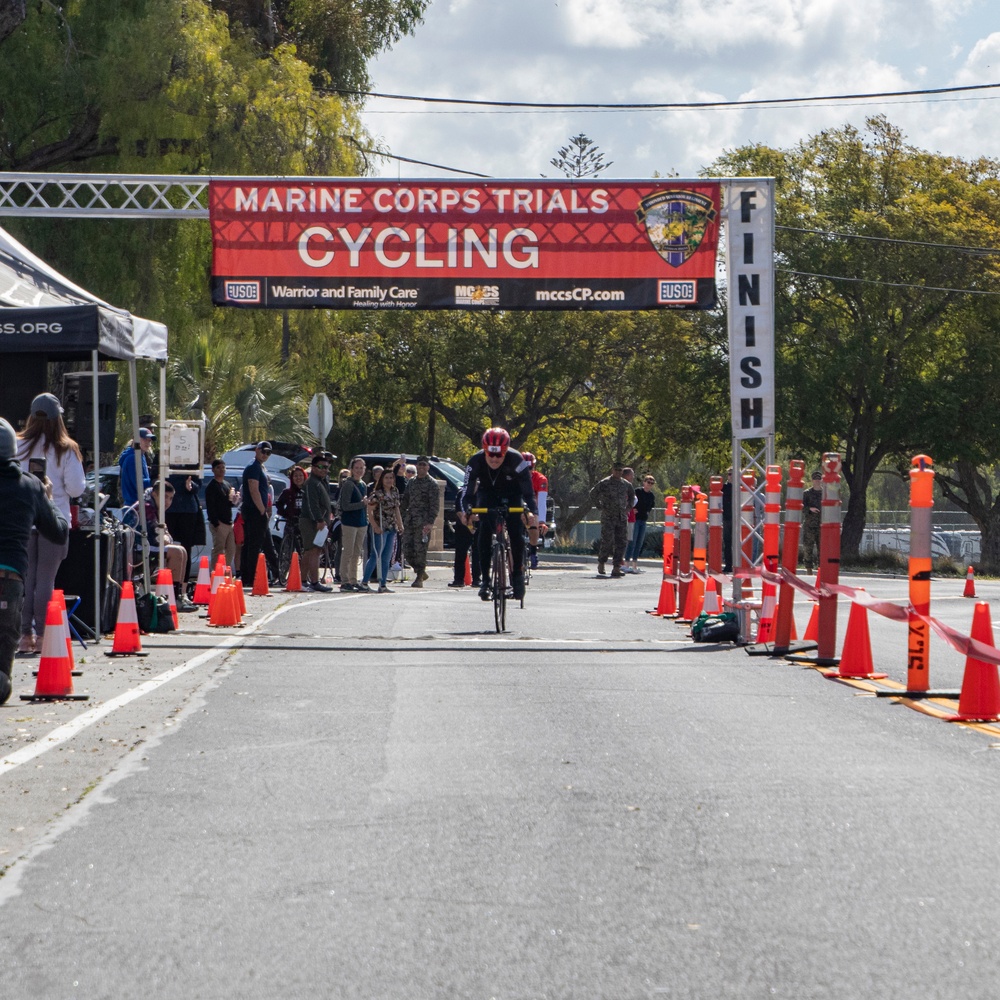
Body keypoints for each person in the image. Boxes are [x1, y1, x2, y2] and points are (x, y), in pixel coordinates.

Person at [0, 417, 69, 705]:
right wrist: (50, 498)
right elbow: (58, 531)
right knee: (3, 658)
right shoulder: (30, 486)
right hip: (9, 580)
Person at [14, 392, 86, 656]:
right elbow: (76, 489)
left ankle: (24, 635)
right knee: (46, 578)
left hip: (24, 520)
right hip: (54, 520)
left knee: (25, 577)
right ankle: (44, 635)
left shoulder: (17, 446)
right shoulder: (66, 449)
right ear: (58, 420)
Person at [456, 427, 537, 602]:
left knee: (516, 532)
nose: (494, 459)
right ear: (484, 451)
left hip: (513, 495)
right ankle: (485, 580)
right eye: (490, 455)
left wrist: (532, 513)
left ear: (506, 451)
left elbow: (529, 493)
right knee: (484, 530)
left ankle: (517, 575)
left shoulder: (517, 460)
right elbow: (466, 493)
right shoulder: (474, 462)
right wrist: (467, 512)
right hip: (487, 495)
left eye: (499, 455)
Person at [144, 482, 196, 611]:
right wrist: (165, 538)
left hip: (149, 545)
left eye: (170, 498)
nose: (167, 501)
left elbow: (165, 536)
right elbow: (156, 537)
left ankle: (178, 594)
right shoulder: (147, 507)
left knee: (182, 550)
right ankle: (172, 595)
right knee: (177, 552)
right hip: (140, 547)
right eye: (165, 497)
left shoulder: (156, 508)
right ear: (155, 494)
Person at [240, 441, 280, 586]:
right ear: (257, 450)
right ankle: (249, 578)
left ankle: (278, 575)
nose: (265, 455)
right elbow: (253, 489)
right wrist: (262, 510)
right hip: (254, 511)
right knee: (253, 546)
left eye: (268, 453)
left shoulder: (260, 467)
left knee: (267, 545)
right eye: (263, 451)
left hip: (259, 512)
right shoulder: (253, 467)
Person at [590, 462, 636, 578]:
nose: (618, 473)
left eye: (620, 471)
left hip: (621, 517)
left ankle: (616, 567)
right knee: (607, 541)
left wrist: (628, 508)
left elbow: (632, 496)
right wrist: (599, 506)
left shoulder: (626, 484)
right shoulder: (605, 483)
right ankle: (602, 562)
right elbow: (593, 493)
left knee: (621, 542)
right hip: (608, 517)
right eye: (616, 470)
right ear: (612, 470)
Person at [400, 456, 440, 588]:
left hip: (423, 522)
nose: (421, 467)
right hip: (410, 520)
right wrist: (400, 516)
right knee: (407, 549)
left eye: (424, 465)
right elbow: (405, 500)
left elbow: (434, 505)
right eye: (419, 465)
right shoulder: (412, 482)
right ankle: (420, 571)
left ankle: (419, 578)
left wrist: (430, 522)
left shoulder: (432, 484)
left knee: (420, 550)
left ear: (428, 467)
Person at [363, 466, 404, 593]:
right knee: (375, 555)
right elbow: (370, 510)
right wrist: (374, 526)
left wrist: (400, 524)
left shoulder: (394, 491)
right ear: (382, 479)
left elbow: (396, 508)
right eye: (386, 478)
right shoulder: (377, 494)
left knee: (386, 557)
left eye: (391, 478)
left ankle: (383, 584)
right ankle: (364, 581)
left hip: (391, 527)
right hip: (380, 527)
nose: (389, 480)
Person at [299, 455, 333, 592]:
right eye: (321, 467)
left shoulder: (321, 482)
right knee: (312, 551)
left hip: (318, 521)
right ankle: (313, 581)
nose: (324, 469)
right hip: (310, 521)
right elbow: (312, 504)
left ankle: (304, 580)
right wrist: (319, 520)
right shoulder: (311, 483)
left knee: (314, 550)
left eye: (326, 467)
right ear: (313, 468)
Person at [165, 469, 204, 579]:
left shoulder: (192, 460)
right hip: (167, 509)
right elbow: (153, 476)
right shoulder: (163, 455)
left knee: (186, 549)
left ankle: (183, 584)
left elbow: (198, 484)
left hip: (188, 510)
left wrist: (191, 486)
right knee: (165, 546)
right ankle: (165, 580)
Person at [338, 457, 368, 591]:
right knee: (348, 552)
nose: (359, 470)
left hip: (361, 522)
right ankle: (344, 580)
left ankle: (353, 579)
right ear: (351, 469)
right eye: (357, 468)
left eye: (361, 468)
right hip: (349, 522)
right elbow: (345, 505)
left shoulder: (363, 484)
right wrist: (362, 504)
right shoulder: (348, 484)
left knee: (357, 553)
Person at [205, 458, 239, 571]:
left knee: (231, 549)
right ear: (213, 470)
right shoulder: (211, 487)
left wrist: (234, 500)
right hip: (219, 523)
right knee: (218, 550)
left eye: (223, 467)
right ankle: (215, 574)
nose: (221, 470)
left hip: (229, 523)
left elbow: (229, 503)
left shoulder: (227, 485)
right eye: (218, 467)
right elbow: (211, 507)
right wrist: (216, 523)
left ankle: (225, 574)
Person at [521, 452, 548, 570]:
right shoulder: (513, 477)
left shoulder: (540, 479)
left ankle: (533, 551)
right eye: (524, 468)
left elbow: (541, 501)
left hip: (533, 505)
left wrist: (541, 521)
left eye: (530, 468)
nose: (527, 471)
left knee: (534, 525)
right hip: (517, 504)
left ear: (534, 467)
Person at [118, 427, 155, 507]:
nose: (148, 443)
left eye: (149, 440)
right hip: (134, 505)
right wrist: (154, 480)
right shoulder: (132, 458)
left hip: (138, 504)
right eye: (145, 439)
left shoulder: (141, 456)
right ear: (135, 439)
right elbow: (139, 484)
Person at [628, 474, 657, 573]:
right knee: (632, 541)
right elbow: (630, 501)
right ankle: (626, 563)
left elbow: (651, 506)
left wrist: (647, 512)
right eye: (648, 482)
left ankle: (634, 565)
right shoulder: (637, 491)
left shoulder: (651, 496)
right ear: (644, 482)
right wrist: (632, 510)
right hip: (635, 520)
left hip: (643, 520)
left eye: (651, 483)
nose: (649, 485)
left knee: (639, 543)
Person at [800, 470, 823, 573]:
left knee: (822, 549)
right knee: (807, 548)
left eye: (819, 479)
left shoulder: (825, 493)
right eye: (815, 479)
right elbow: (801, 507)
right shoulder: (807, 493)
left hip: (822, 525)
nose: (817, 481)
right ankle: (809, 568)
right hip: (809, 525)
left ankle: (821, 569)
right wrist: (810, 509)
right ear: (812, 480)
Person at [622, 467, 639, 569]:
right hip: (624, 517)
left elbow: (634, 500)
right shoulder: (622, 486)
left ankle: (624, 562)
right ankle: (621, 562)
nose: (633, 477)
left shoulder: (629, 487)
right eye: (631, 474)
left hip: (631, 517)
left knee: (628, 539)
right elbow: (631, 500)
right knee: (622, 539)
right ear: (627, 475)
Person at [722, 468, 733, 574]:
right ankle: (728, 565)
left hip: (738, 519)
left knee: (737, 543)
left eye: (733, 474)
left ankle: (737, 564)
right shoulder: (724, 488)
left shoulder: (740, 488)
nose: (731, 476)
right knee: (727, 543)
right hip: (727, 518)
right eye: (729, 474)